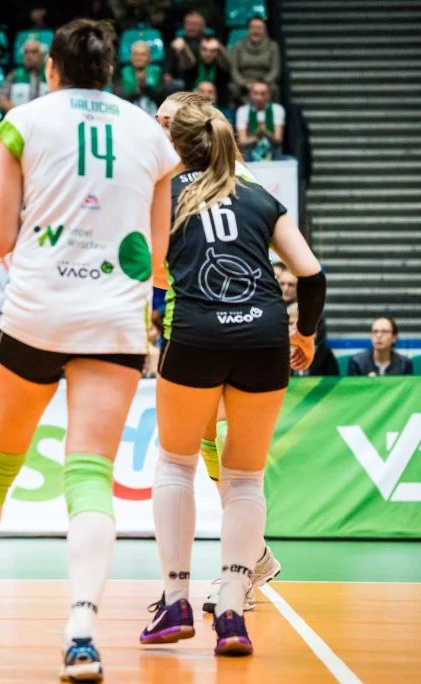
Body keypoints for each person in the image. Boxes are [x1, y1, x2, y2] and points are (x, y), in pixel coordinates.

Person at [0, 20, 179, 682]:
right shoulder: (151, 136)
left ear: (52, 69)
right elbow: (159, 257)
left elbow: (0, 238)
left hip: (37, 315)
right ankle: (80, 632)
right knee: (89, 476)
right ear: (113, 71)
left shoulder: (22, 123)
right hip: (114, 321)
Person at [140, 102, 324, 657]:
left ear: (175, 144)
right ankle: (232, 610)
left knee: (175, 464)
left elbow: (149, 268)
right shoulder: (259, 196)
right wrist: (305, 335)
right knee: (246, 479)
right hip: (264, 335)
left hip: (195, 331)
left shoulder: (163, 194)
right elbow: (312, 275)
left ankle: (175, 599)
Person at [153, 92, 284, 617]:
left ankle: (242, 574)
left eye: (168, 122)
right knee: (205, 440)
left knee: (222, 455)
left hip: (229, 323)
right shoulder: (171, 181)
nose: (159, 131)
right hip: (190, 320)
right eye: (157, 122)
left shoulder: (234, 179)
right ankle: (253, 559)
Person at [230, 16, 280, 103]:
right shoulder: (238, 46)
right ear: (248, 30)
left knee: (275, 89)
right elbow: (234, 70)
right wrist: (245, 84)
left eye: (259, 28)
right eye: (253, 28)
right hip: (243, 84)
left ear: (265, 30)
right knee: (232, 88)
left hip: (265, 82)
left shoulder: (273, 46)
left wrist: (263, 83)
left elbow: (275, 70)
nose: (256, 31)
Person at [0, 40, 48, 113]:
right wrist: (18, 113)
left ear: (42, 55)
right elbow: (1, 98)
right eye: (26, 52)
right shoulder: (15, 74)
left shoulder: (50, 75)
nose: (29, 56)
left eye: (34, 52)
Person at [348, 317, 413, 376]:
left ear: (394, 337)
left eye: (384, 331)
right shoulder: (357, 362)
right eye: (375, 331)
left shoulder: (404, 364)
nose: (378, 335)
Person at [236, 82, 284, 161]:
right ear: (250, 95)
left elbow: (278, 139)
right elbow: (242, 142)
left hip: (273, 155)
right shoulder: (243, 110)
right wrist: (258, 135)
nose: (259, 97)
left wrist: (266, 133)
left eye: (263, 94)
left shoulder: (277, 109)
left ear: (269, 95)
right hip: (249, 156)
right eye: (255, 93)